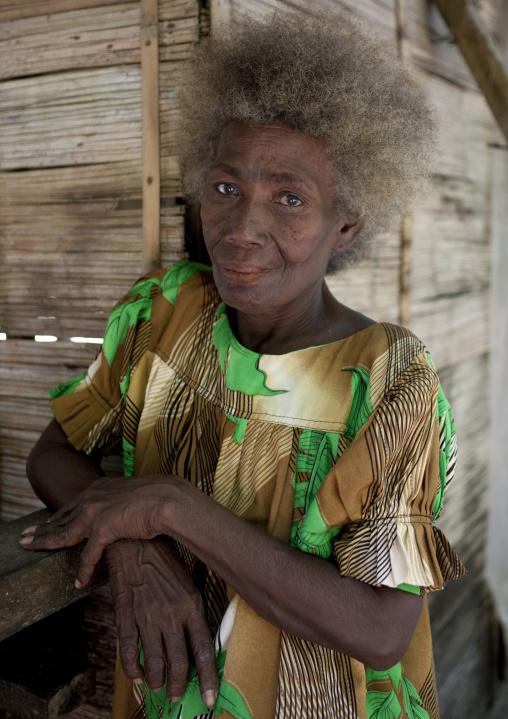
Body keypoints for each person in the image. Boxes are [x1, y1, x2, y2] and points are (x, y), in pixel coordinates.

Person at [20, 10, 464, 719]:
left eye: (290, 199)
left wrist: (169, 504)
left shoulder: (387, 380)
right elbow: (53, 454)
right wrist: (136, 545)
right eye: (226, 187)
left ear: (345, 223)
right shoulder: (162, 312)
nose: (243, 228)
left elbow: (380, 630)